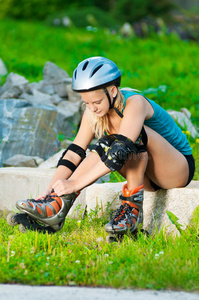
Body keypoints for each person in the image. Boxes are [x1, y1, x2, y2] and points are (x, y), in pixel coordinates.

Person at [16, 56, 195, 234]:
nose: (92, 108)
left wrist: (75, 184)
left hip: (176, 170)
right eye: (86, 103)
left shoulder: (135, 103)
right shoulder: (93, 111)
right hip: (146, 176)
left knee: (126, 141)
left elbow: (121, 150)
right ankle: (56, 207)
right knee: (105, 145)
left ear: (113, 91)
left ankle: (131, 213)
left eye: (96, 102)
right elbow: (74, 152)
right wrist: (52, 190)